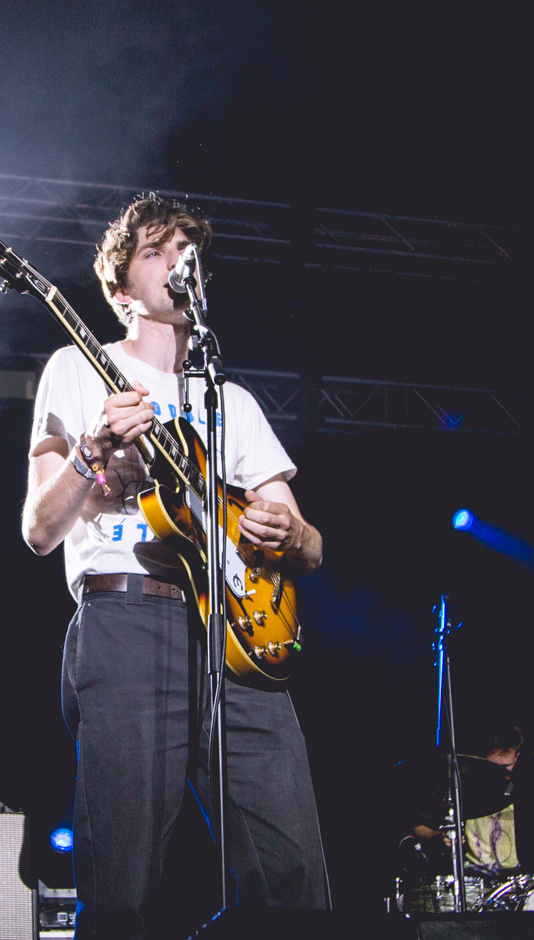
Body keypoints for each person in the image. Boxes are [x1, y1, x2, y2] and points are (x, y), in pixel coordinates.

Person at [24, 194, 330, 938]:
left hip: (236, 634)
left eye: (189, 250)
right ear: (122, 289)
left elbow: (312, 546)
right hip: (131, 619)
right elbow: (38, 528)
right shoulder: (77, 368)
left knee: (294, 875)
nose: (179, 261)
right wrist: (94, 453)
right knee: (123, 880)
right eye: (158, 251)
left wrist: (284, 529)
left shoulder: (234, 401)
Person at [405, 724, 534, 879]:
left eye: (506, 766)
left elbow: (529, 851)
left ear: (517, 757)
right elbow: (416, 824)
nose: (501, 773)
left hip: (512, 885)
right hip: (471, 884)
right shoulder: (461, 786)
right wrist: (437, 836)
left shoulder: (525, 792)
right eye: (494, 766)